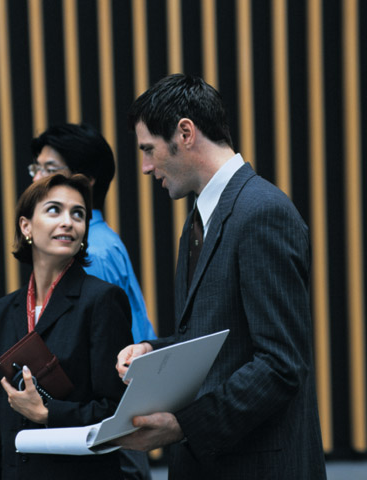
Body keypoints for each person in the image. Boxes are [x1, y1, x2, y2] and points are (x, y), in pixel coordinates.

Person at [115, 74, 326, 479]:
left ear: (185, 132)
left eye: (148, 150)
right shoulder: (200, 218)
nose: (144, 167)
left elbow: (281, 364)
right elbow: (220, 339)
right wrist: (151, 350)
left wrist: (183, 425)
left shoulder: (263, 213)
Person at [0, 174, 133, 479]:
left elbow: (117, 410)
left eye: (78, 213)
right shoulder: (3, 312)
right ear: (26, 226)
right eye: (54, 210)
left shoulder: (102, 301)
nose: (68, 221)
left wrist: (47, 414)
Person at [30, 123, 155, 479]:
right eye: (35, 169)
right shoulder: (96, 241)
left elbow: (97, 366)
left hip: (107, 422)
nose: (37, 179)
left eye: (49, 170)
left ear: (86, 181)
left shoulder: (90, 254)